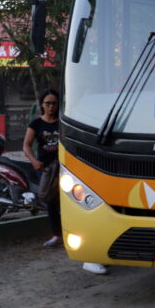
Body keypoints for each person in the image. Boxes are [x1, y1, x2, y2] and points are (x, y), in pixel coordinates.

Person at [22, 89, 107, 275]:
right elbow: (26, 145)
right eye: (47, 103)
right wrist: (34, 161)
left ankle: (75, 236)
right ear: (42, 104)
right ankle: (57, 234)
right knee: (49, 199)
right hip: (46, 169)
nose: (51, 107)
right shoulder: (36, 124)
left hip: (65, 166)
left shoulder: (63, 122)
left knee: (71, 201)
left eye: (54, 103)